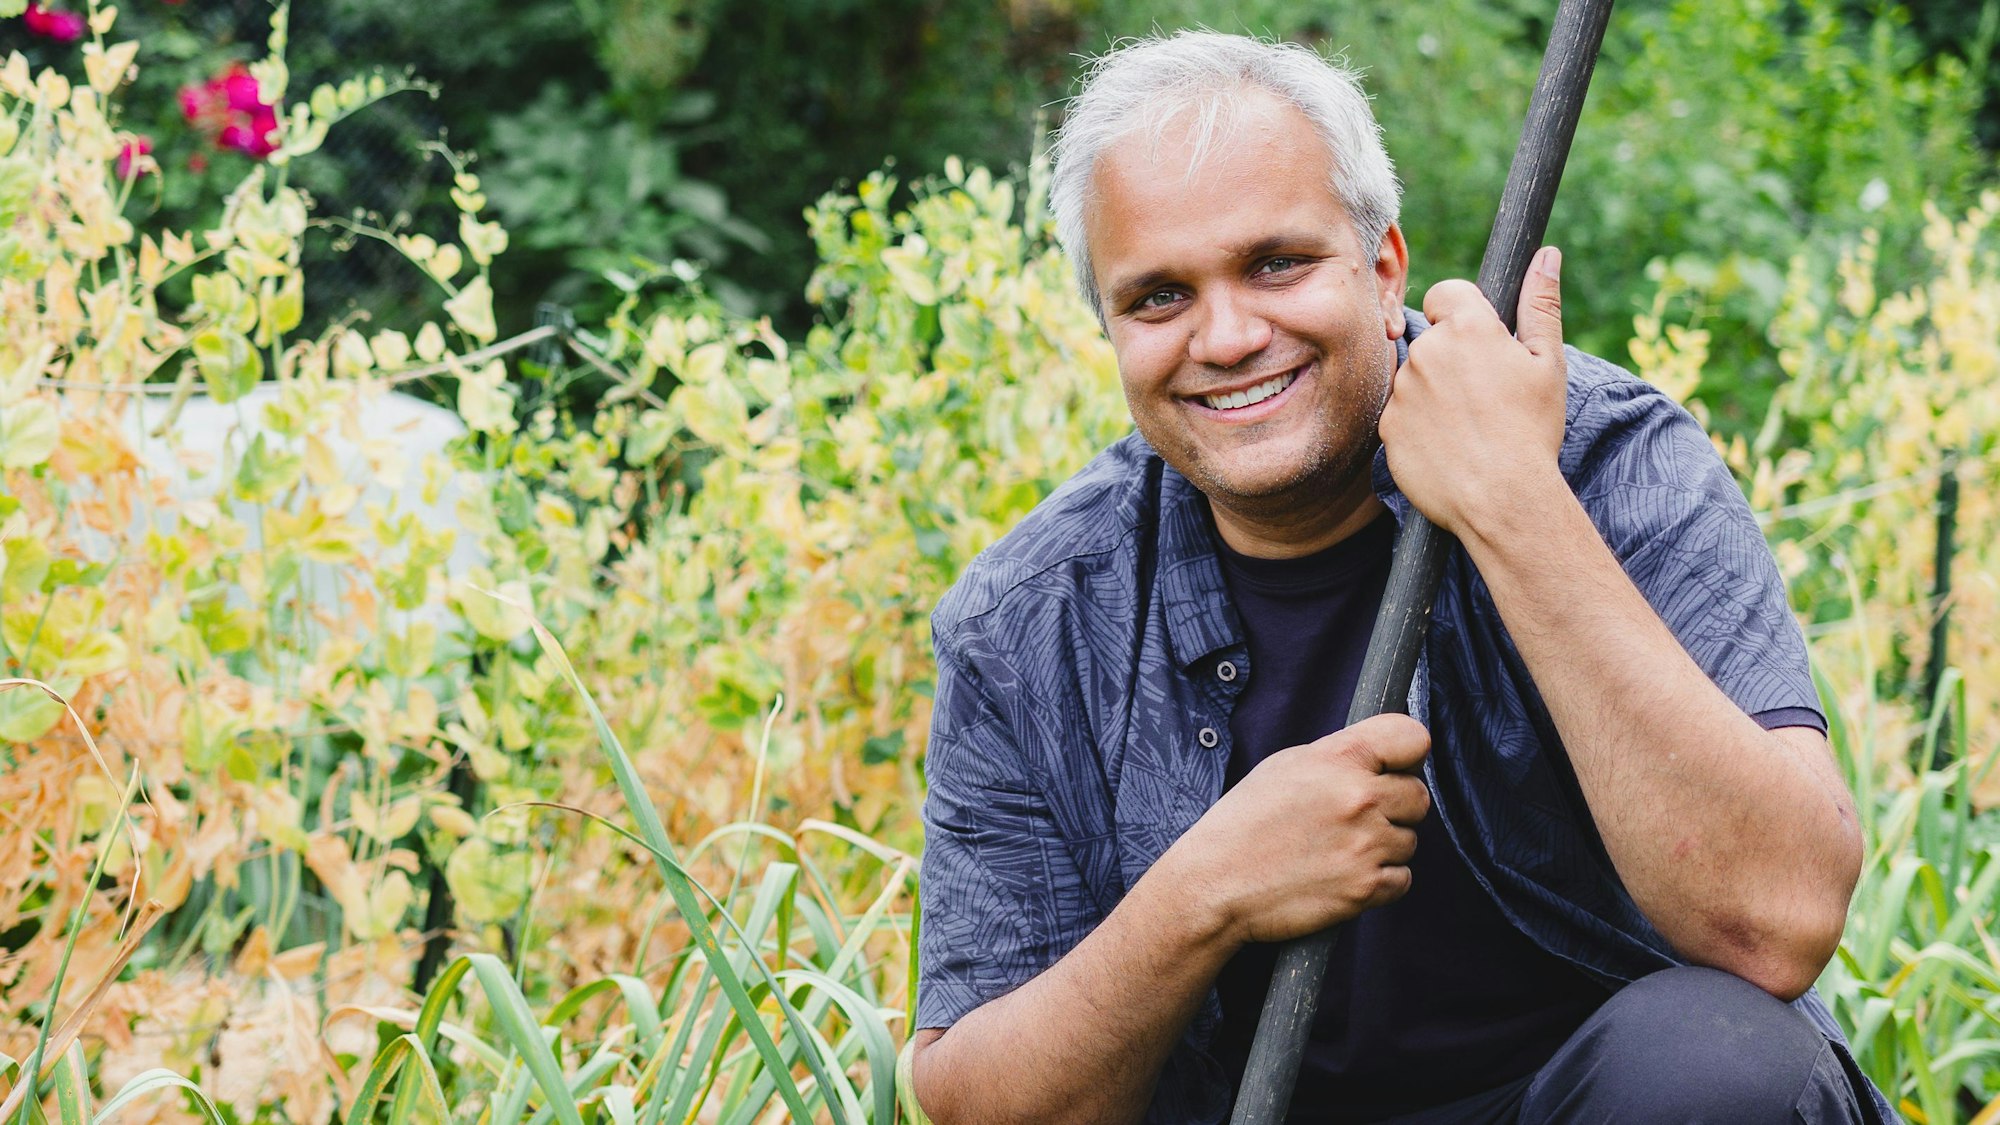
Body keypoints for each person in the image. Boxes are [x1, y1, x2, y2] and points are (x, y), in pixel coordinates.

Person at [908, 30, 1887, 1125]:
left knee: (1718, 1069)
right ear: (1109, 329)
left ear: (1383, 269)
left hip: (1593, 1106)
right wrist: (1203, 892)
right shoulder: (1029, 619)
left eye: (1275, 264)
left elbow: (1776, 918)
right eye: (1158, 298)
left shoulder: (1608, 462)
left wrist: (1515, 506)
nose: (1224, 336)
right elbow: (975, 1101)